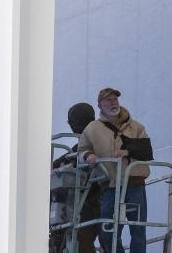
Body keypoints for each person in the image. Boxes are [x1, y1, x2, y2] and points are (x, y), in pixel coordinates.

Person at [78, 87, 150, 253]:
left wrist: (127, 151)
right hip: (109, 184)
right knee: (107, 230)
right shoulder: (92, 128)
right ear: (100, 105)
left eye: (115, 99)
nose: (113, 103)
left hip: (135, 182)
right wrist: (88, 155)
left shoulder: (137, 127)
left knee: (138, 229)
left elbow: (147, 150)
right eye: (108, 100)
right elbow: (81, 150)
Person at [50, 103, 99, 253]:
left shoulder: (93, 141)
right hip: (88, 200)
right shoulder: (98, 138)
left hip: (92, 199)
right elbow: (74, 154)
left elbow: (76, 155)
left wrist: (57, 164)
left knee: (80, 236)